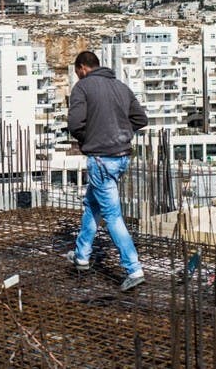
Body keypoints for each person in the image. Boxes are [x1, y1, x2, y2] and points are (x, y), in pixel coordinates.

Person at [65, 50, 148, 291]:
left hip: (101, 159)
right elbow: (141, 120)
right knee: (92, 204)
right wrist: (119, 132)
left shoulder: (83, 88)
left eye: (76, 72)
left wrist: (90, 138)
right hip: (122, 157)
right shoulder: (121, 87)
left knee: (112, 215)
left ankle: (133, 269)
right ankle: (81, 255)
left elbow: (74, 124)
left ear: (82, 68)